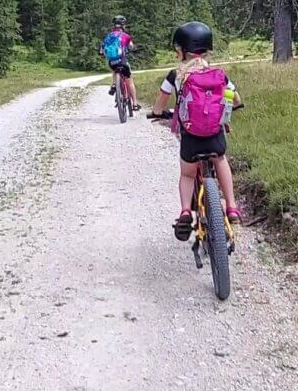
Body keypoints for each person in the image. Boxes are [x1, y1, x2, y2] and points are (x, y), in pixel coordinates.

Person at [148, 22, 243, 241]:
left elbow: (159, 105)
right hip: (215, 136)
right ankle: (231, 207)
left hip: (191, 139)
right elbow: (235, 99)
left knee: (187, 174)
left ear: (180, 50)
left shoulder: (175, 75)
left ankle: (184, 212)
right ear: (208, 49)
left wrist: (157, 113)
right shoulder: (219, 74)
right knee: (220, 160)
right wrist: (233, 106)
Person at [101, 15, 140, 110]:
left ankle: (114, 84)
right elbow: (131, 47)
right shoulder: (125, 36)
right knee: (129, 80)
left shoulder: (108, 36)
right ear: (123, 25)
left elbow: (102, 50)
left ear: (114, 25)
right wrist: (134, 49)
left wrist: (102, 54)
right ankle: (135, 104)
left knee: (114, 70)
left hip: (112, 62)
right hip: (122, 61)